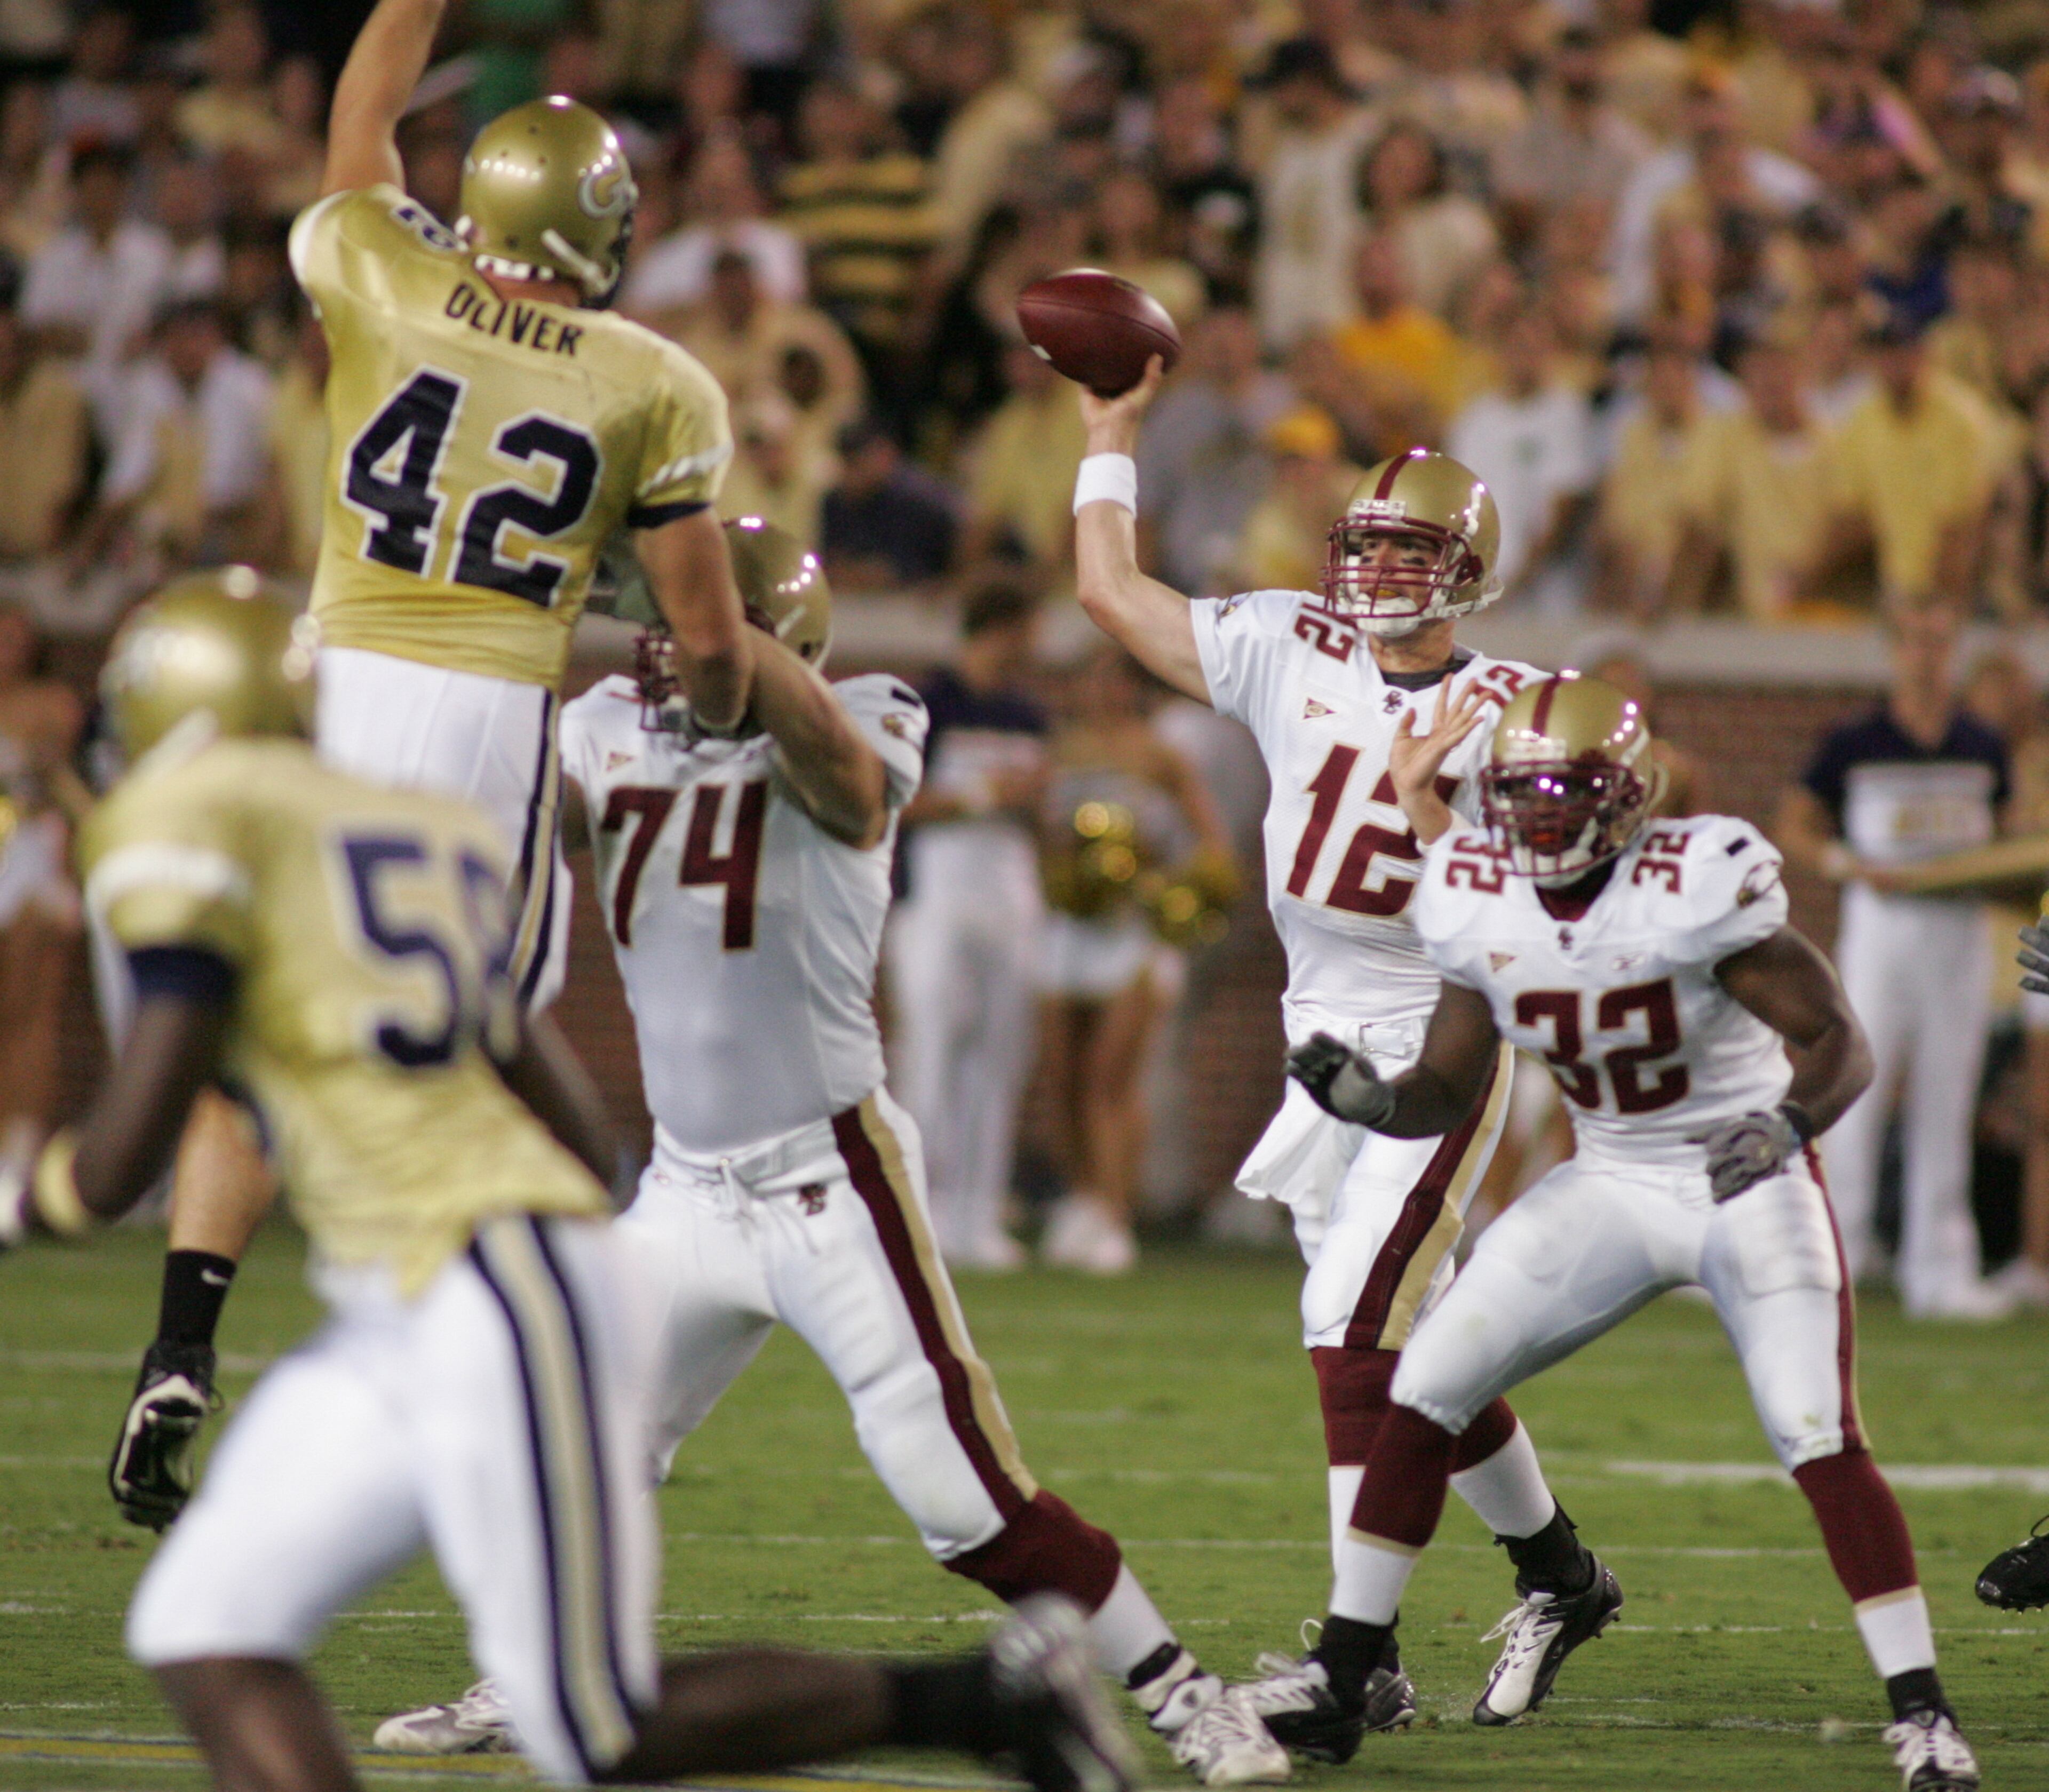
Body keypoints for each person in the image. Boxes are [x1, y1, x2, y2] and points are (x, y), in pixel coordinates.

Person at [0, 569, 1139, 1792]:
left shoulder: (192, 827)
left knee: (586, 1723)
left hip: (483, 1292)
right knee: (204, 1620)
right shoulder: (413, 829)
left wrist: (27, 1199)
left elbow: (126, 1146)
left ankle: (982, 1693)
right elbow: (565, 1108)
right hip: (450, 1285)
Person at [378, 521, 1285, 1786]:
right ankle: (543, 1670)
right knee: (570, 1429)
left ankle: (1187, 1692)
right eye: (649, 625)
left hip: (826, 1175)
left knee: (961, 1494)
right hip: (685, 1186)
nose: (653, 650)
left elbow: (850, 790)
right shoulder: (606, 722)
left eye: (678, 623)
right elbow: (526, 805)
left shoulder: (870, 710)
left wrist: (736, 651)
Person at [105, 0, 758, 1536]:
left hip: (330, 683)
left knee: (266, 1024)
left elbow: (360, 128)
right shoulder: (654, 379)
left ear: (476, 208)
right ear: (606, 225)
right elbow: (710, 638)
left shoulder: (383, 273)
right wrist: (717, 706)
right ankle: (525, 1355)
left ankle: (183, 1335)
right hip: (478, 713)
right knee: (484, 1040)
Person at [1270, 672, 1981, 1792]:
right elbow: (1445, 1085)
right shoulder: (1468, 886)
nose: (1543, 813)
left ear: (1626, 790)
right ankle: (1347, 1678)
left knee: (1817, 1431)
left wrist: (1788, 1122)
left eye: (1567, 787)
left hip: (1740, 1174)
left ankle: (1926, 1714)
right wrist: (1370, 1099)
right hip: (1610, 1177)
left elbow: (1839, 1035)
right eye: (1520, 789)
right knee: (1424, 1382)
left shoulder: (1695, 879)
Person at [1072, 357, 1617, 1759]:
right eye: (1365, 542)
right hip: (1317, 1021)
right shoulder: (1289, 641)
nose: (1376, 569)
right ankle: (1561, 1576)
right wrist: (1109, 435)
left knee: (1348, 1321)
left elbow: (1534, 913)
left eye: (1411, 548)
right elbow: (1113, 596)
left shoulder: (1514, 706)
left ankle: (1350, 1663)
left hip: (1441, 1025)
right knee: (1415, 1336)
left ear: (1473, 568)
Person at [1774, 599, 2015, 1319]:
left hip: (1957, 930)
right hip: (1881, 923)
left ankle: (1940, 1268)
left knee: (1949, 1093)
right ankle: (1832, 1257)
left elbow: (2006, 829)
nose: (1927, 654)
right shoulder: (1855, 739)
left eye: (1939, 639)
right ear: (1894, 650)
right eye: (1914, 640)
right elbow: (1795, 822)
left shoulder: (1981, 741)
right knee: (1857, 1089)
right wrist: (1847, 862)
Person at [1036, 648, 1238, 1275]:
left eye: (1115, 681)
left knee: (1109, 1077)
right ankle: (1085, 1201)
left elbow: (1213, 848)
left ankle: (1119, 1215)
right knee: (1060, 1076)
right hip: (1072, 925)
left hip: (1134, 929)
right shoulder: (1063, 750)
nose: (1104, 693)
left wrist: (1161, 880)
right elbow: (1044, 838)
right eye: (1093, 679)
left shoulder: (1161, 755)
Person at [888, 583, 1050, 1271]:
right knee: (929, 1046)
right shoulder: (929, 702)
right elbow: (895, 805)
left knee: (999, 1055)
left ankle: (977, 1214)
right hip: (935, 895)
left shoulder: (1028, 713)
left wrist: (1037, 805)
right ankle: (917, 1209)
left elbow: (1039, 813)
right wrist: (987, 794)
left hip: (1009, 891)